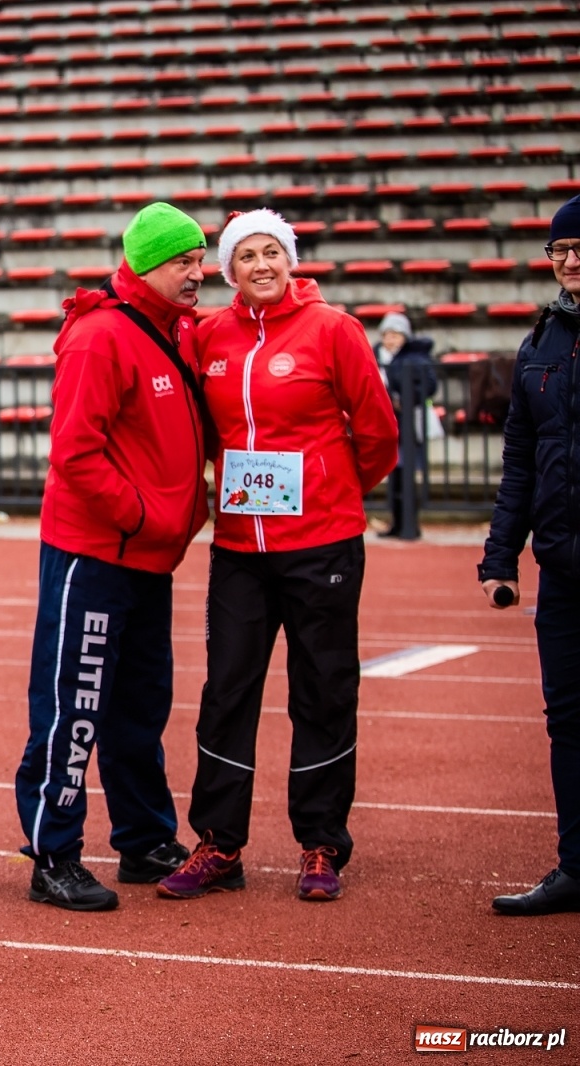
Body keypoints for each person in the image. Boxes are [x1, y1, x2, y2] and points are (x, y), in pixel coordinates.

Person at [159, 208, 397, 904]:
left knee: (323, 691)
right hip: (239, 546)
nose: (261, 265)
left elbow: (378, 433)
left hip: (322, 541)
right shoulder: (209, 335)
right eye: (246, 256)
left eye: (272, 252)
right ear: (229, 271)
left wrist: (335, 489)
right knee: (227, 690)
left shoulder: (334, 330)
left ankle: (320, 842)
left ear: (290, 260)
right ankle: (219, 843)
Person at [12, 203, 210, 913]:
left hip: (149, 557)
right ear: (148, 265)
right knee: (74, 707)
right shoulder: (99, 337)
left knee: (139, 706)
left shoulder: (178, 331)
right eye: (184, 262)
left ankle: (144, 836)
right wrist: (144, 515)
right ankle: (53, 854)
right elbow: (74, 454)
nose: (198, 273)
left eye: (199, 258)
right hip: (96, 553)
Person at [479, 194, 580, 916]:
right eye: (559, 251)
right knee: (568, 720)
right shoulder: (541, 341)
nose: (570, 262)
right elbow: (519, 458)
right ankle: (577, 865)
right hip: (563, 567)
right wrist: (500, 556)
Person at [372, 312, 438, 537]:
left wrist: (405, 397)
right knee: (394, 478)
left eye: (396, 334)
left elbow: (430, 385)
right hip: (387, 424)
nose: (390, 339)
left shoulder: (415, 357)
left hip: (408, 425)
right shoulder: (375, 355)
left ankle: (410, 525)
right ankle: (397, 523)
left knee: (406, 475)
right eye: (387, 334)